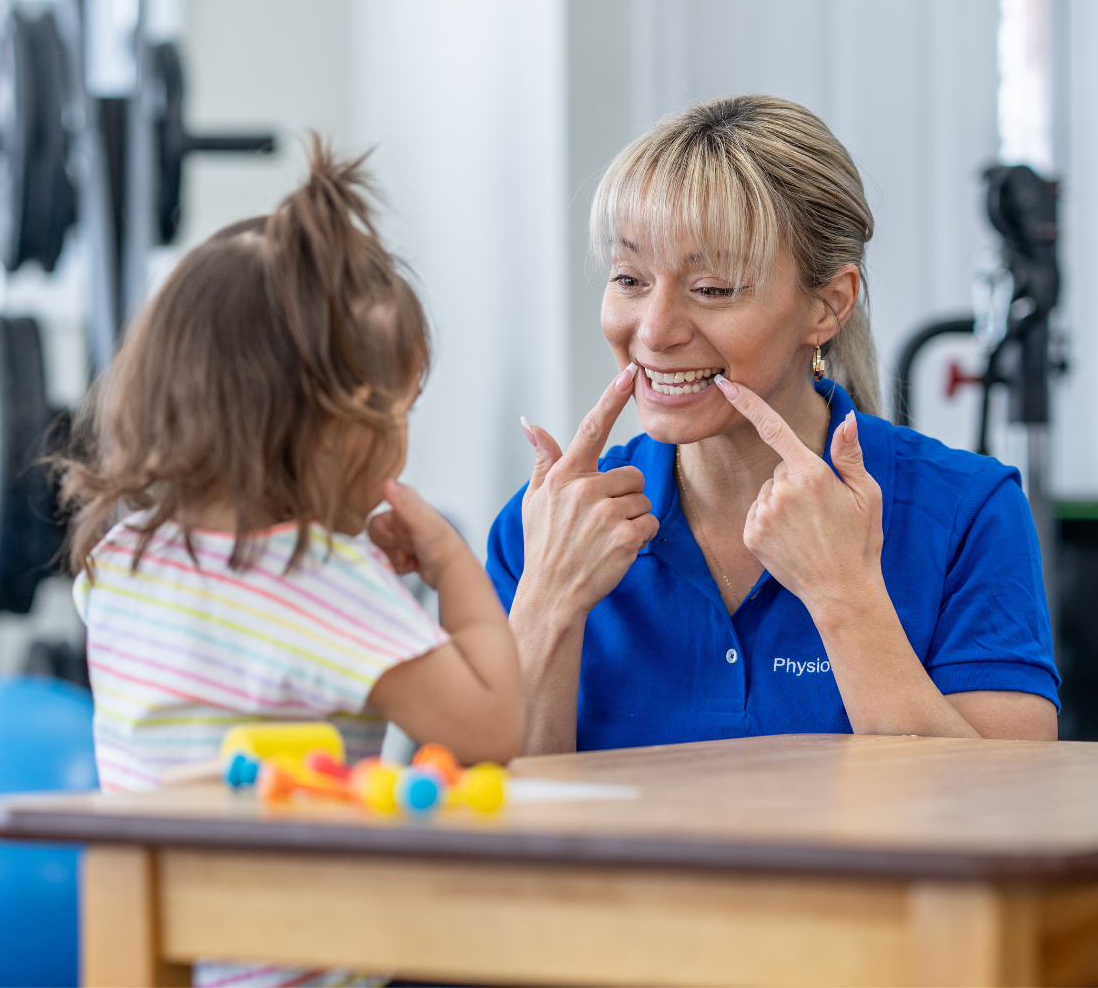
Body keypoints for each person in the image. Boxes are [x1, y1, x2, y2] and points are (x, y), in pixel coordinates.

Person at [62, 138, 522, 987]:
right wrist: (451, 565)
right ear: (336, 425)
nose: (403, 441)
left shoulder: (120, 561)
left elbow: (233, 660)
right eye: (400, 410)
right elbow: (492, 728)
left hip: (161, 945)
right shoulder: (321, 581)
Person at [489, 94, 1058, 754]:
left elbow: (1011, 817)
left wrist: (845, 597)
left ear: (827, 306)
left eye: (712, 289)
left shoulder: (968, 513)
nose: (652, 330)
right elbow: (481, 829)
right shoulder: (542, 525)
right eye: (629, 278)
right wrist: (548, 604)